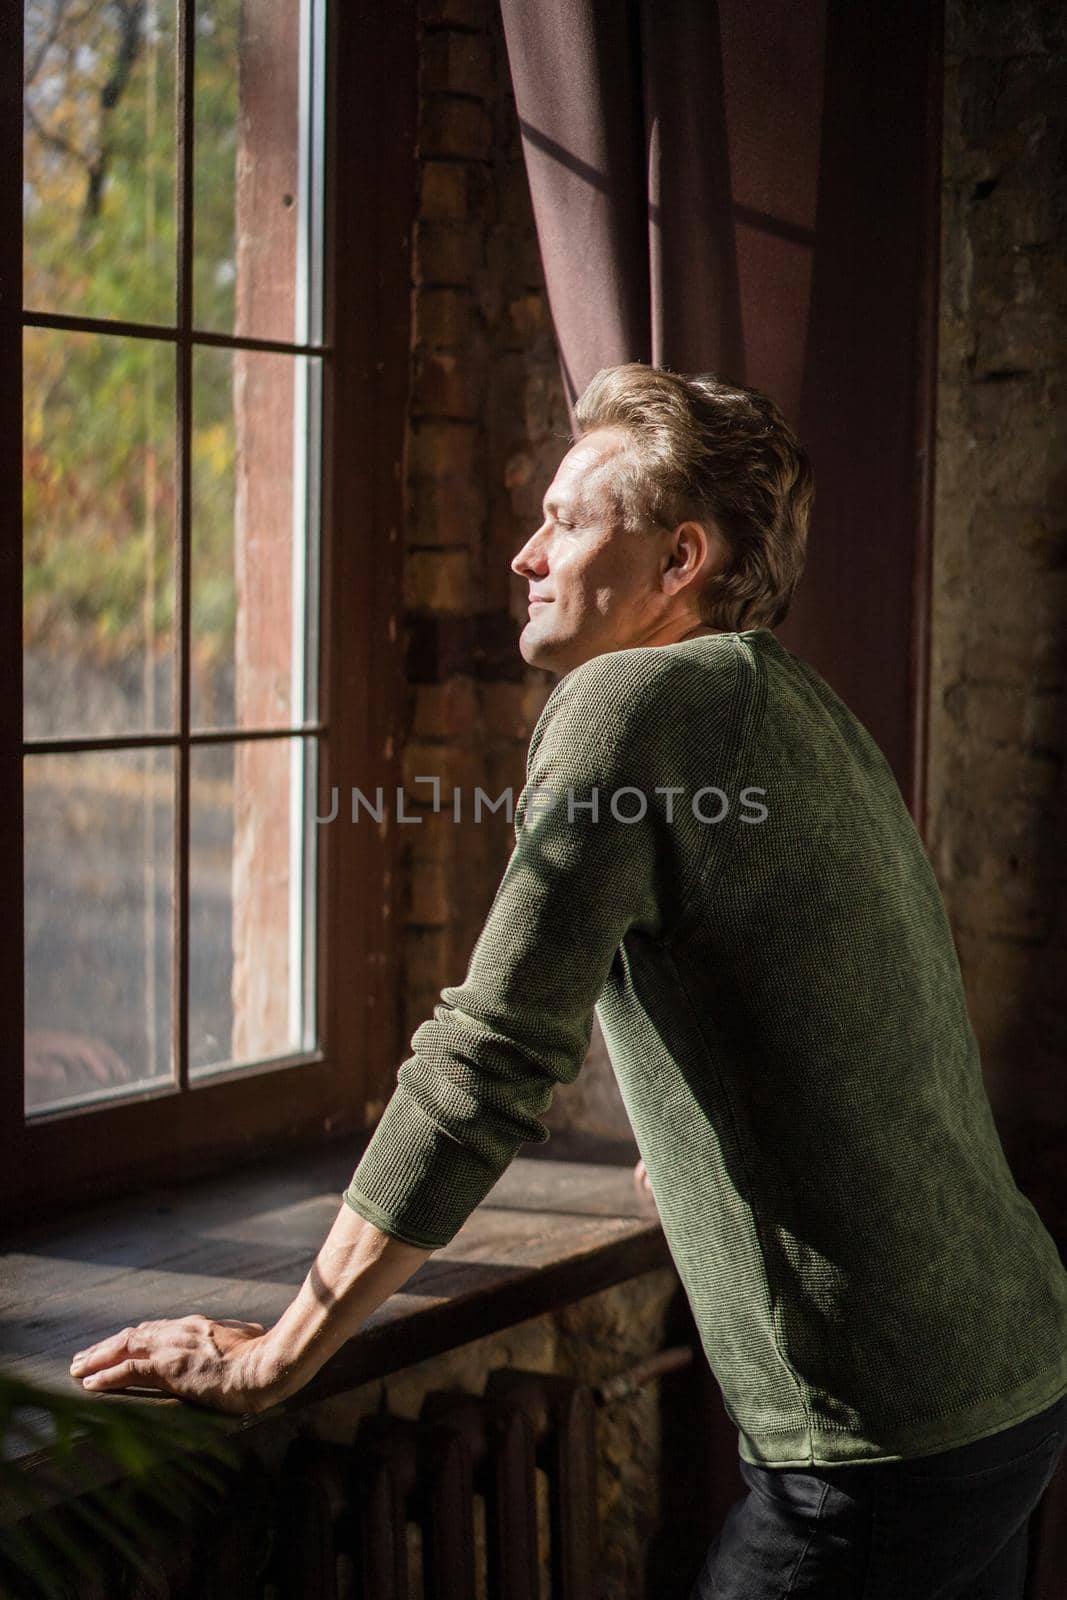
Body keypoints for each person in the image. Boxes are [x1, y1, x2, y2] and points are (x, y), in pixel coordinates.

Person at [69, 364, 1067, 1598]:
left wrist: (280, 1353)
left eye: (567, 520)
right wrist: (706, 1151)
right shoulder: (788, 700)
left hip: (879, 1436)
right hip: (1004, 1372)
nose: (522, 554)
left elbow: (485, 1060)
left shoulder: (625, 702)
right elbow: (850, 999)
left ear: (675, 561)